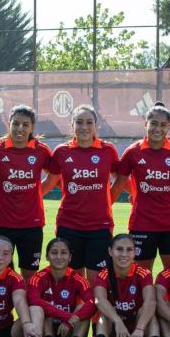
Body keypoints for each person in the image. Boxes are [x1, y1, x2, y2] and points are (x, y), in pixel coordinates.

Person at [44, 104, 121, 281]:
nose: (84, 127)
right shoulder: (62, 152)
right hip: (69, 225)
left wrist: (109, 201)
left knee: (97, 283)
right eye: (79, 122)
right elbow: (50, 182)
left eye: (89, 122)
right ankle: (74, 310)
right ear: (72, 125)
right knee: (72, 282)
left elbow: (120, 180)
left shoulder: (108, 150)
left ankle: (93, 310)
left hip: (100, 227)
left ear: (96, 125)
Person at [112, 102, 170, 271]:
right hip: (142, 222)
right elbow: (118, 185)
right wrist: (102, 211)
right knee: (141, 275)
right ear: (145, 124)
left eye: (163, 125)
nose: (158, 129)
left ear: (168, 127)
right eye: (153, 123)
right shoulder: (133, 152)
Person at [0, 105, 52, 280]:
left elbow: (54, 176)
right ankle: (0, 308)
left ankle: (27, 308)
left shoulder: (41, 150)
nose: (20, 129)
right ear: (9, 124)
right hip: (1, 223)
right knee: (0, 274)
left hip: (32, 224)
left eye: (25, 124)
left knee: (29, 277)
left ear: (32, 127)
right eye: (16, 123)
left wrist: (36, 193)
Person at [92, 233, 163, 337]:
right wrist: (118, 322)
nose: (124, 254)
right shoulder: (103, 275)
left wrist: (140, 328)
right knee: (105, 313)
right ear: (110, 251)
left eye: (129, 250)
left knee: (148, 312)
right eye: (119, 249)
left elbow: (151, 301)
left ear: (134, 252)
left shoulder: (143, 273)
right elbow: (99, 300)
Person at [27, 238, 96, 337]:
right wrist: (66, 316)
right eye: (54, 253)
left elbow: (92, 302)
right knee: (43, 306)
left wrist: (70, 321)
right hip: (44, 332)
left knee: (83, 307)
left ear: (70, 257)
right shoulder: (37, 278)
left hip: (67, 333)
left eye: (63, 253)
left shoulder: (78, 279)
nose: (59, 257)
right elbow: (33, 300)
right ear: (47, 256)